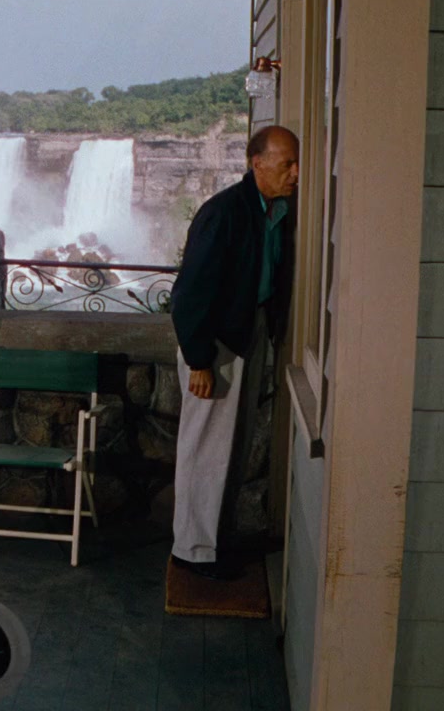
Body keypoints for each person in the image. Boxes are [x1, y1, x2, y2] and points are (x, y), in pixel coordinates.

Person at [169, 125, 299, 581]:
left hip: (246, 334)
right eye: (287, 164)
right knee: (205, 447)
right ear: (256, 163)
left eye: (296, 163)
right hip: (216, 345)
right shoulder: (223, 212)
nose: (296, 174)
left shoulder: (276, 210)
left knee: (232, 447)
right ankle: (192, 550)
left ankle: (214, 541)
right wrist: (199, 360)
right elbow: (189, 294)